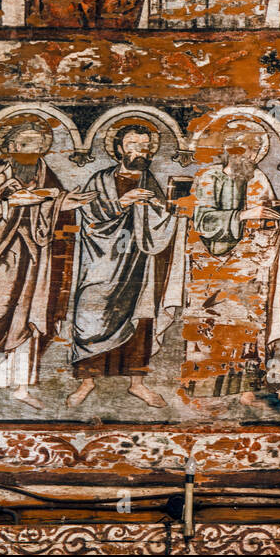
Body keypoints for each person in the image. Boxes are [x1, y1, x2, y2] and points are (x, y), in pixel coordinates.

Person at [0, 117, 93, 413]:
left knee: (27, 318)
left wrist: (64, 204)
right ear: (10, 146)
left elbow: (48, 206)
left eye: (37, 145)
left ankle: (20, 387)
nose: (30, 151)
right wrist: (11, 204)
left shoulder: (47, 176)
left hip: (34, 261)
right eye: (23, 144)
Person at [65, 124, 180, 409]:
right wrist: (121, 203)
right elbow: (88, 216)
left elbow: (161, 222)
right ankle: (87, 381)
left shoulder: (150, 180)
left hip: (138, 261)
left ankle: (137, 383)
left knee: (139, 317)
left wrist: (165, 207)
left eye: (144, 144)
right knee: (89, 313)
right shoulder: (100, 179)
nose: (139, 150)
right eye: (132, 143)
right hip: (101, 260)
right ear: (118, 149)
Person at [184, 121, 280, 406]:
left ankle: (246, 390)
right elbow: (202, 221)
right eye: (245, 151)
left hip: (250, 263)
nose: (251, 157)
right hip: (212, 266)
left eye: (255, 152)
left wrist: (273, 224)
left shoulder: (258, 179)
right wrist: (242, 216)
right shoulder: (208, 177)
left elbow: (268, 216)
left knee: (248, 328)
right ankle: (205, 391)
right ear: (229, 151)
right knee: (214, 327)